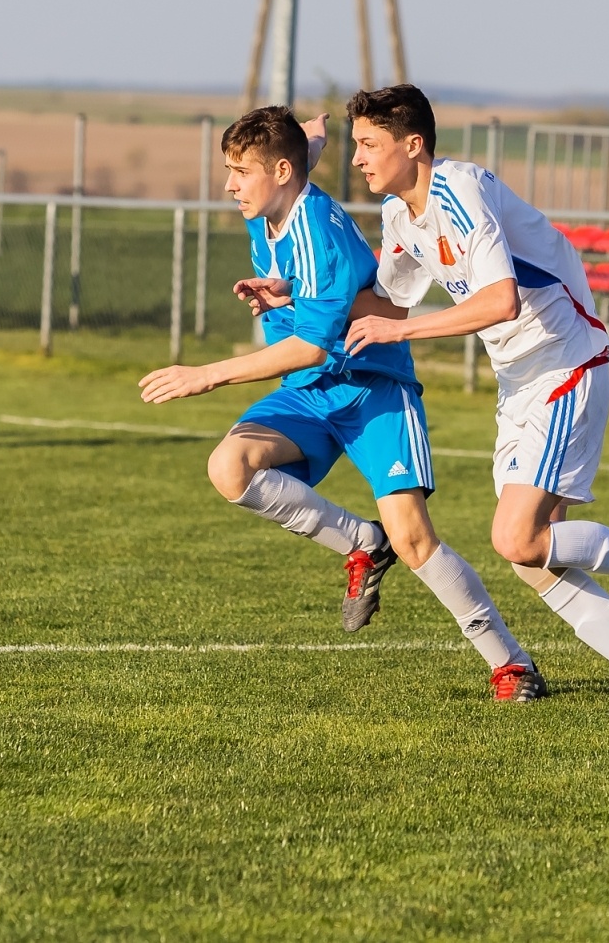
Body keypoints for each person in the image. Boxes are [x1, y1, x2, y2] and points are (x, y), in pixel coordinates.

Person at [336, 84, 609, 714]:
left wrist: (402, 330)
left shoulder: (457, 193)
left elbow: (499, 300)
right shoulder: (400, 218)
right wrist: (294, 294)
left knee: (517, 538)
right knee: (535, 557)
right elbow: (387, 302)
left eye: (368, 144)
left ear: (413, 146)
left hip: (566, 361)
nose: (356, 158)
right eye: (355, 144)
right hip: (520, 381)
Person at [139, 106, 546, 703]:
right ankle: (361, 541)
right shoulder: (270, 204)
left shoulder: (319, 233)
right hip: (310, 394)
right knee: (229, 467)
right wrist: (313, 139)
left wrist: (206, 375)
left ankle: (510, 663)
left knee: (413, 539)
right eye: (228, 169)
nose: (230, 184)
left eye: (239, 171)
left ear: (280, 172)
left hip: (370, 385)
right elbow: (299, 156)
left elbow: (309, 347)